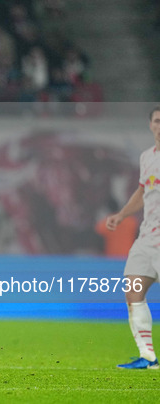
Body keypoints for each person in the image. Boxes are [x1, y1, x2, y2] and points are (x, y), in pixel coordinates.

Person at [106, 105, 160, 369]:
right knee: (133, 291)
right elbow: (142, 192)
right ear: (150, 125)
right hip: (147, 238)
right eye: (157, 121)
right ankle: (148, 357)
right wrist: (122, 215)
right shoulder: (147, 157)